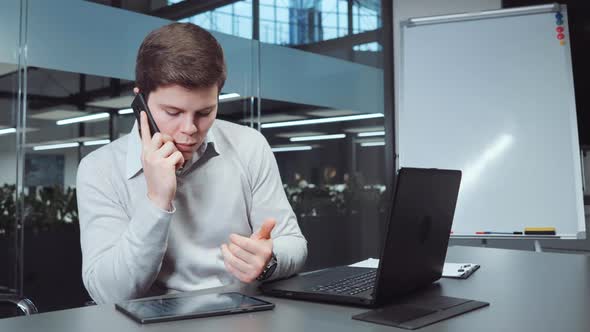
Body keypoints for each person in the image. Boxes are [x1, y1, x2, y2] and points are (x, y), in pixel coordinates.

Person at [76, 23, 307, 304]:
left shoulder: (249, 145)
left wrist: (269, 259)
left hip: (243, 315)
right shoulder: (99, 169)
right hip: (151, 323)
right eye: (172, 112)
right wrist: (157, 201)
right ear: (141, 101)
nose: (189, 129)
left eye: (205, 112)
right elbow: (109, 293)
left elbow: (294, 244)